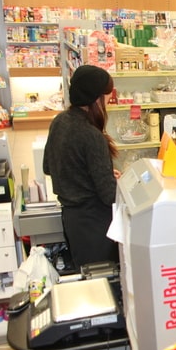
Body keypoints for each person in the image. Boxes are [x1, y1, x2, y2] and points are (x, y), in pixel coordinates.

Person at [43, 65, 120, 269]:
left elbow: (49, 167)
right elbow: (109, 194)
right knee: (102, 281)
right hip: (95, 225)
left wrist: (96, 171)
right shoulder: (91, 135)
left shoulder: (59, 121)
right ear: (97, 99)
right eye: (107, 99)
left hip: (72, 220)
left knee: (85, 276)